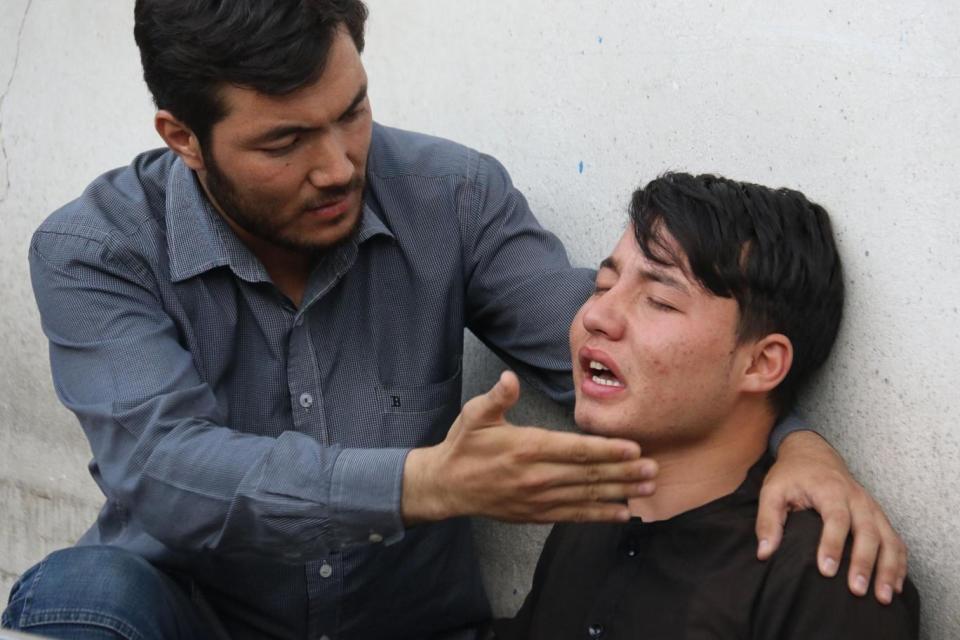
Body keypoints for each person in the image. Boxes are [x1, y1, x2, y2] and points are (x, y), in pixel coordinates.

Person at [1, 1, 905, 639]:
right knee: (90, 593)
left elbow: (614, 352)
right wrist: (423, 483)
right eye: (284, 142)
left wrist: (797, 443)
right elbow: (164, 471)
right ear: (183, 138)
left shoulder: (453, 197)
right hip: (195, 621)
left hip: (410, 628)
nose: (338, 165)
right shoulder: (96, 249)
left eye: (352, 112)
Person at [493, 173, 920, 639]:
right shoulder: (592, 510)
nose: (595, 315)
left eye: (658, 300)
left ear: (760, 363)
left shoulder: (826, 575)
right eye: (602, 285)